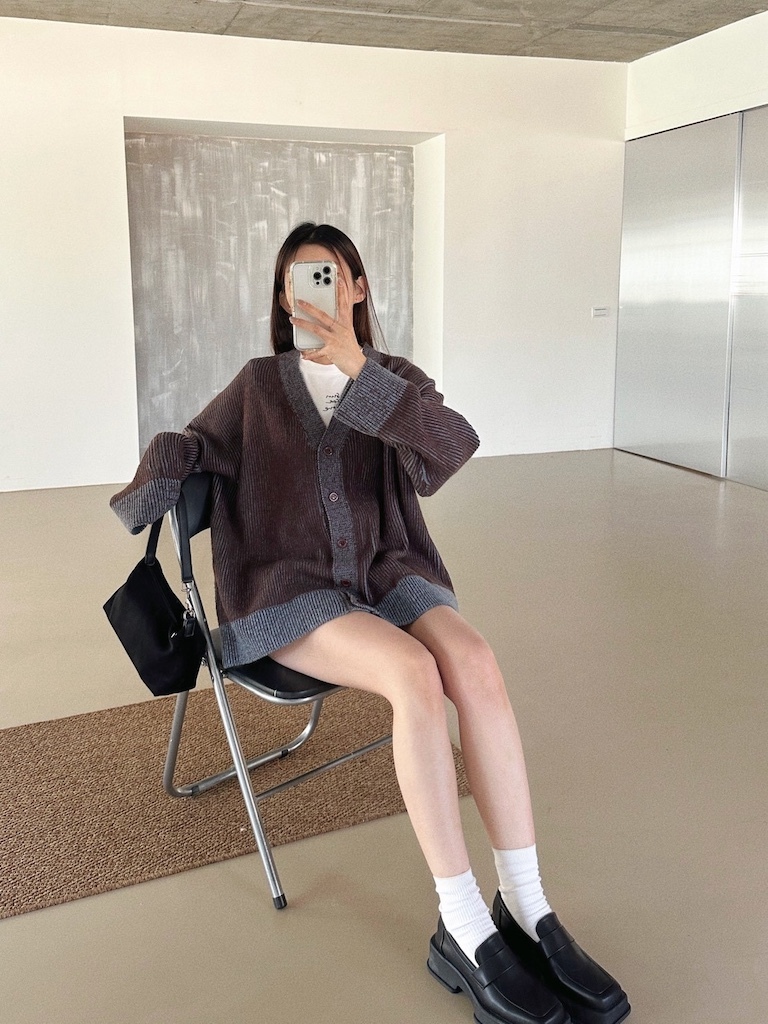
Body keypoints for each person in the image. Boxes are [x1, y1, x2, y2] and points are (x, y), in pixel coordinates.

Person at [111, 222, 630, 1024]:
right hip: (290, 591)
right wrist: (170, 458)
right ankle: (463, 925)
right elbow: (172, 471)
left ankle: (527, 906)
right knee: (413, 674)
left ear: (356, 288)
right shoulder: (256, 386)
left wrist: (358, 368)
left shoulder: (395, 379)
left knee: (476, 662)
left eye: (327, 276)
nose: (311, 294)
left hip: (388, 575)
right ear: (283, 300)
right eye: (296, 282)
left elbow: (449, 453)